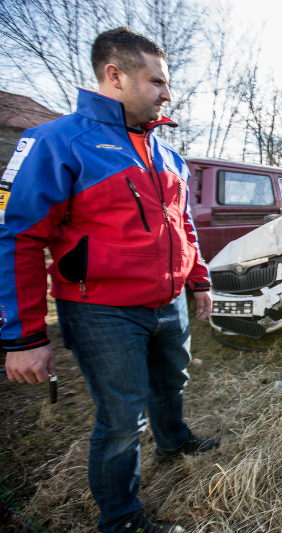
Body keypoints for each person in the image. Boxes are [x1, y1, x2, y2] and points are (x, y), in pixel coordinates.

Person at [1, 28, 216, 533]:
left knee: (173, 380)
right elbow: (17, 238)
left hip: (168, 304)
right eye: (156, 81)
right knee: (121, 421)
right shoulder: (58, 142)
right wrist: (23, 336)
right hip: (102, 311)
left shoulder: (166, 154)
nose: (167, 93)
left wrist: (199, 281)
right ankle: (121, 521)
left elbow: (183, 224)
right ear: (113, 76)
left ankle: (175, 439)